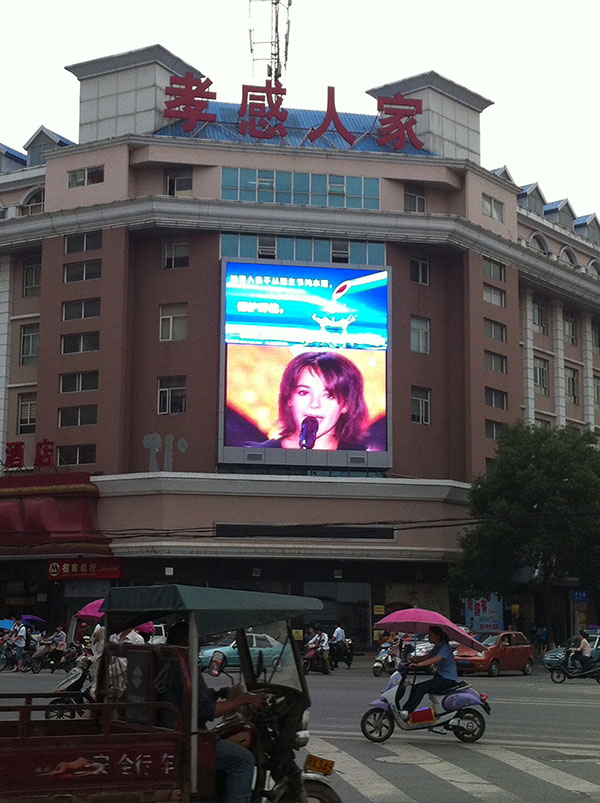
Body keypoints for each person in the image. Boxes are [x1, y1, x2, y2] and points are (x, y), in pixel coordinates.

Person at [159, 620, 261, 803]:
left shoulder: (166, 661)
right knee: (244, 761)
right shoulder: (184, 666)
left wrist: (211, 694)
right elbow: (209, 711)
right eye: (196, 641)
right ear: (186, 641)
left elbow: (189, 699)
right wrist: (245, 699)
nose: (199, 647)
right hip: (186, 738)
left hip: (169, 730)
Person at [245, 351, 371, 451]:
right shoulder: (257, 454)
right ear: (289, 398)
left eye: (328, 395)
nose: (314, 404)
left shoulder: (365, 459)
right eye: (304, 393)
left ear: (346, 404)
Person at [400, 626, 458, 720]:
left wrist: (418, 665)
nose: (428, 636)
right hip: (440, 677)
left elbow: (434, 659)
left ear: (437, 636)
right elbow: (427, 657)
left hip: (447, 679)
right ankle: (406, 710)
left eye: (430, 635)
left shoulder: (444, 647)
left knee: (421, 689)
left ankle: (407, 711)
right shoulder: (437, 647)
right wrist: (412, 659)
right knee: (415, 687)